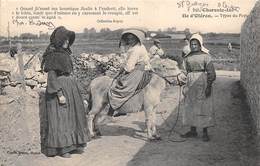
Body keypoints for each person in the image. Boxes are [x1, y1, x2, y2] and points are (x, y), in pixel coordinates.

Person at [41, 26, 89, 158]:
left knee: (72, 117)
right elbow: (51, 76)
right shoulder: (53, 55)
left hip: (70, 88)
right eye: (65, 39)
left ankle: (73, 145)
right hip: (59, 89)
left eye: (69, 40)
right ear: (60, 40)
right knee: (61, 118)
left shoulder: (65, 54)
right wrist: (59, 94)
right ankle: (63, 149)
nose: (68, 42)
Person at [107, 29, 152, 117]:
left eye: (131, 39)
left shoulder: (135, 50)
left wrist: (121, 72)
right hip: (145, 68)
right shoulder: (140, 46)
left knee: (122, 86)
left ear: (136, 39)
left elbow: (129, 67)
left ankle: (117, 106)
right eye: (128, 39)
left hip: (137, 70)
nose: (129, 41)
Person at [181, 33, 216, 142]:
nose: (193, 46)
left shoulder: (206, 56)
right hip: (190, 82)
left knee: (203, 106)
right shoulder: (187, 57)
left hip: (202, 81)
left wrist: (209, 86)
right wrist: (183, 84)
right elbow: (183, 71)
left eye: (196, 44)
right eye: (192, 44)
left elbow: (211, 73)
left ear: (200, 44)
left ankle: (205, 132)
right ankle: (193, 131)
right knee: (190, 106)